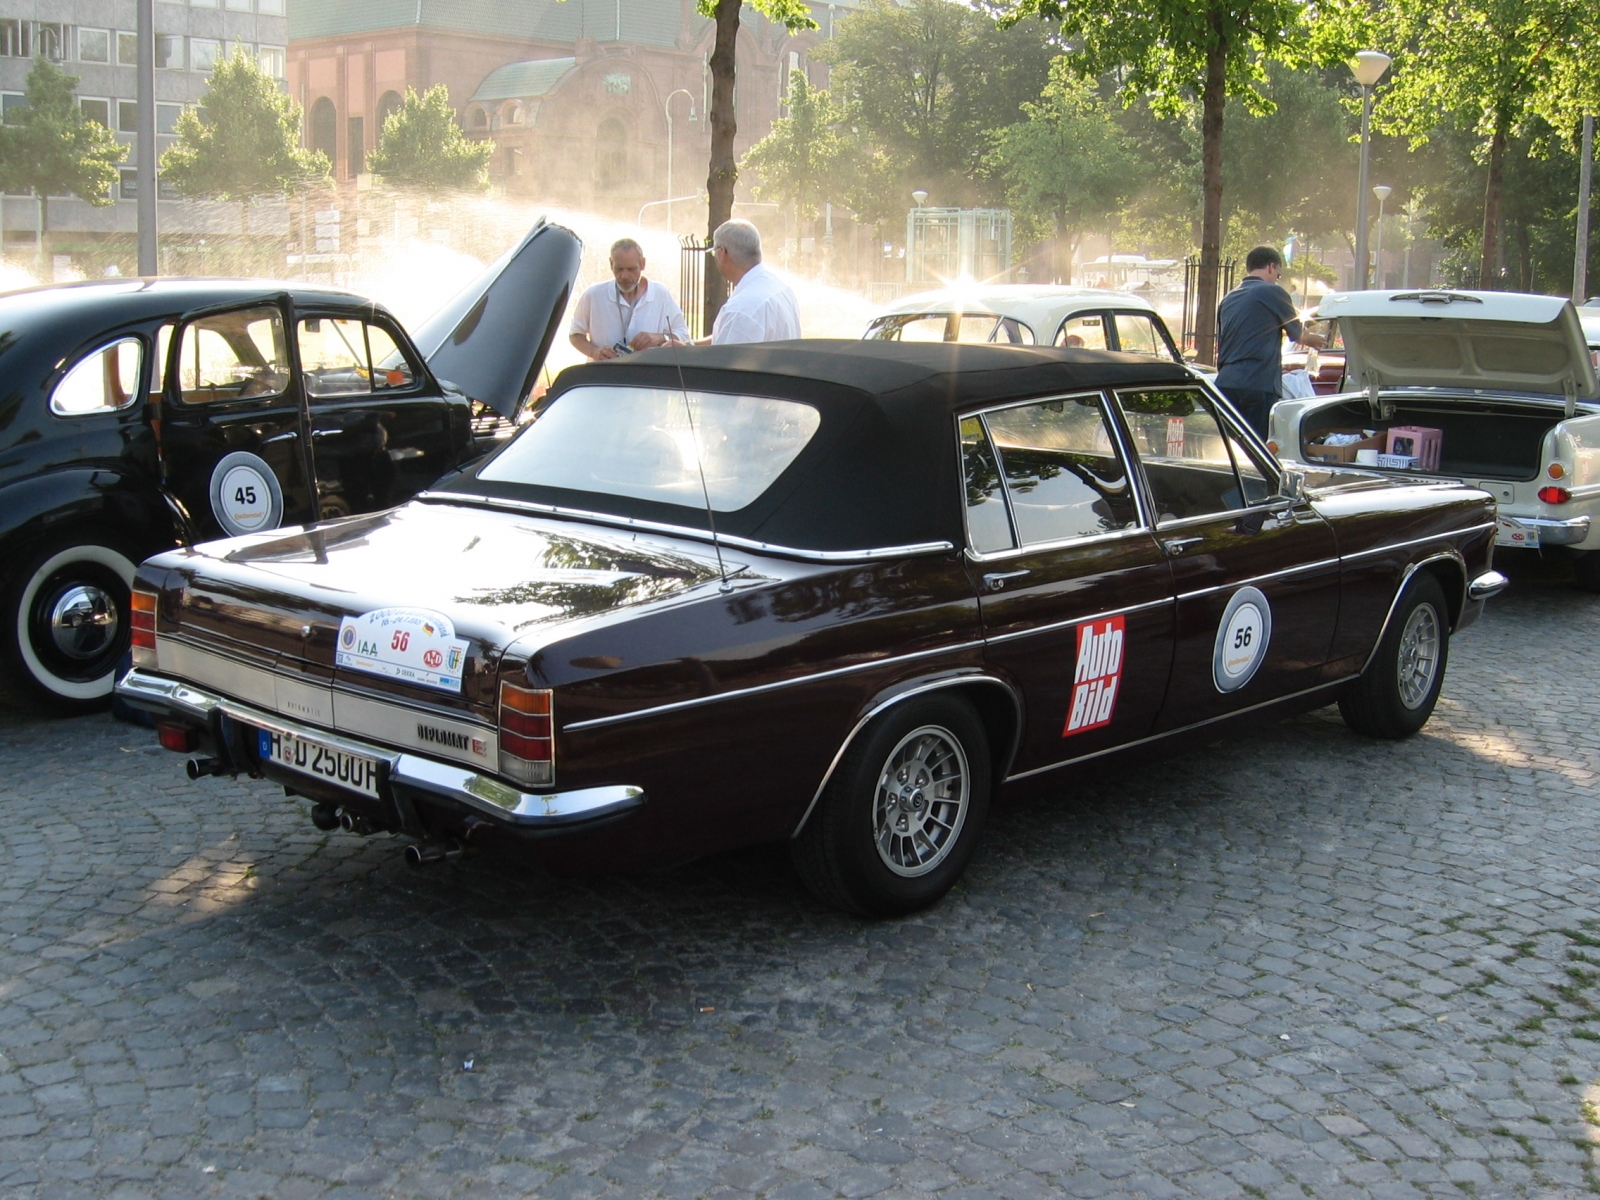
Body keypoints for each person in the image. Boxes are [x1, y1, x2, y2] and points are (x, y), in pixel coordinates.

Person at [1215, 244, 1324, 437]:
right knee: (1257, 447)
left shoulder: (1228, 298)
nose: (1276, 279)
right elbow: (1298, 335)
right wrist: (1316, 339)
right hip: (1257, 384)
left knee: (1231, 446)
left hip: (1225, 383)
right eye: (1278, 275)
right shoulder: (1272, 291)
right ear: (1271, 267)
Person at [569, 238, 691, 360]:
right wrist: (594, 351)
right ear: (611, 264)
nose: (624, 276)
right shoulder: (593, 295)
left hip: (646, 375)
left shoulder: (660, 294)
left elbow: (683, 335)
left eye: (631, 269)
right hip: (603, 374)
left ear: (643, 264)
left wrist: (659, 338)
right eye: (619, 269)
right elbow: (575, 334)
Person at [701, 219, 801, 344]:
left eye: (714, 252)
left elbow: (726, 359)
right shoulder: (782, 289)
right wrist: (691, 345)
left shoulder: (740, 310)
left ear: (722, 253)